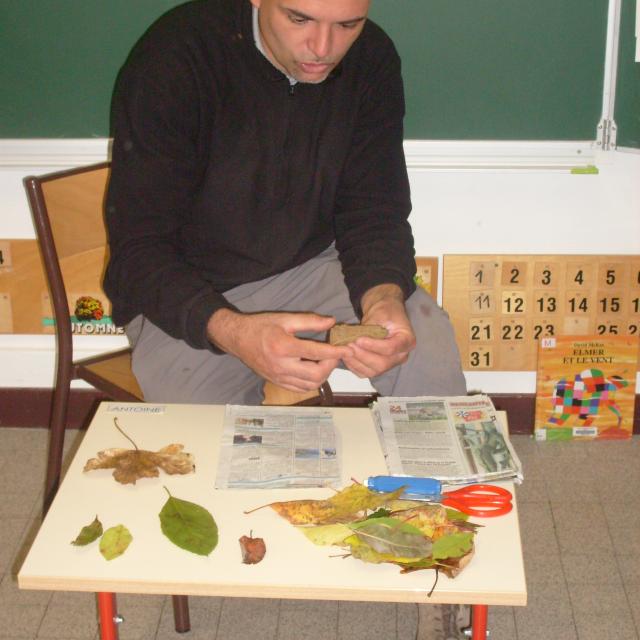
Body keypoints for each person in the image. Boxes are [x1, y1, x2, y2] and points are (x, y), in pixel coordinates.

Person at [104, 0, 467, 404]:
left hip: (307, 268)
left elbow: (374, 208)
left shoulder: (371, 57)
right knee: (202, 446)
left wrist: (383, 297)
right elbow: (138, 249)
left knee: (424, 338)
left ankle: (433, 468)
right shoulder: (176, 57)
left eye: (348, 24)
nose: (323, 48)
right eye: (299, 19)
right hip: (191, 294)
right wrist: (235, 332)